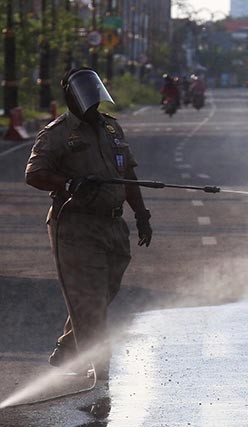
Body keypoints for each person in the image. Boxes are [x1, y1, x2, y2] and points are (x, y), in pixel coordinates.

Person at [24, 68, 153, 380]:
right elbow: (34, 173)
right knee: (90, 301)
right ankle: (99, 370)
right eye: (86, 94)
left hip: (113, 226)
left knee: (105, 292)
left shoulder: (112, 131)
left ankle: (69, 345)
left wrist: (142, 215)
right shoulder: (56, 133)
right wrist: (70, 183)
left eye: (95, 93)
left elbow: (128, 177)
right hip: (76, 227)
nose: (93, 102)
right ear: (72, 96)